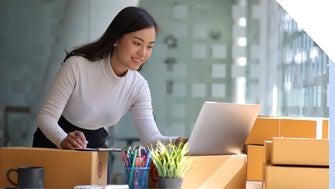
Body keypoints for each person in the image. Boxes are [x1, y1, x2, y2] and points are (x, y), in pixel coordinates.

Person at [32, 6, 187, 150]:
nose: (143, 53)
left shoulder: (138, 86)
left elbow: (151, 139)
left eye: (149, 46)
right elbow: (46, 117)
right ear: (116, 39)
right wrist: (63, 139)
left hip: (94, 148)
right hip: (52, 143)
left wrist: (181, 142)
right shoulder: (78, 66)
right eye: (137, 43)